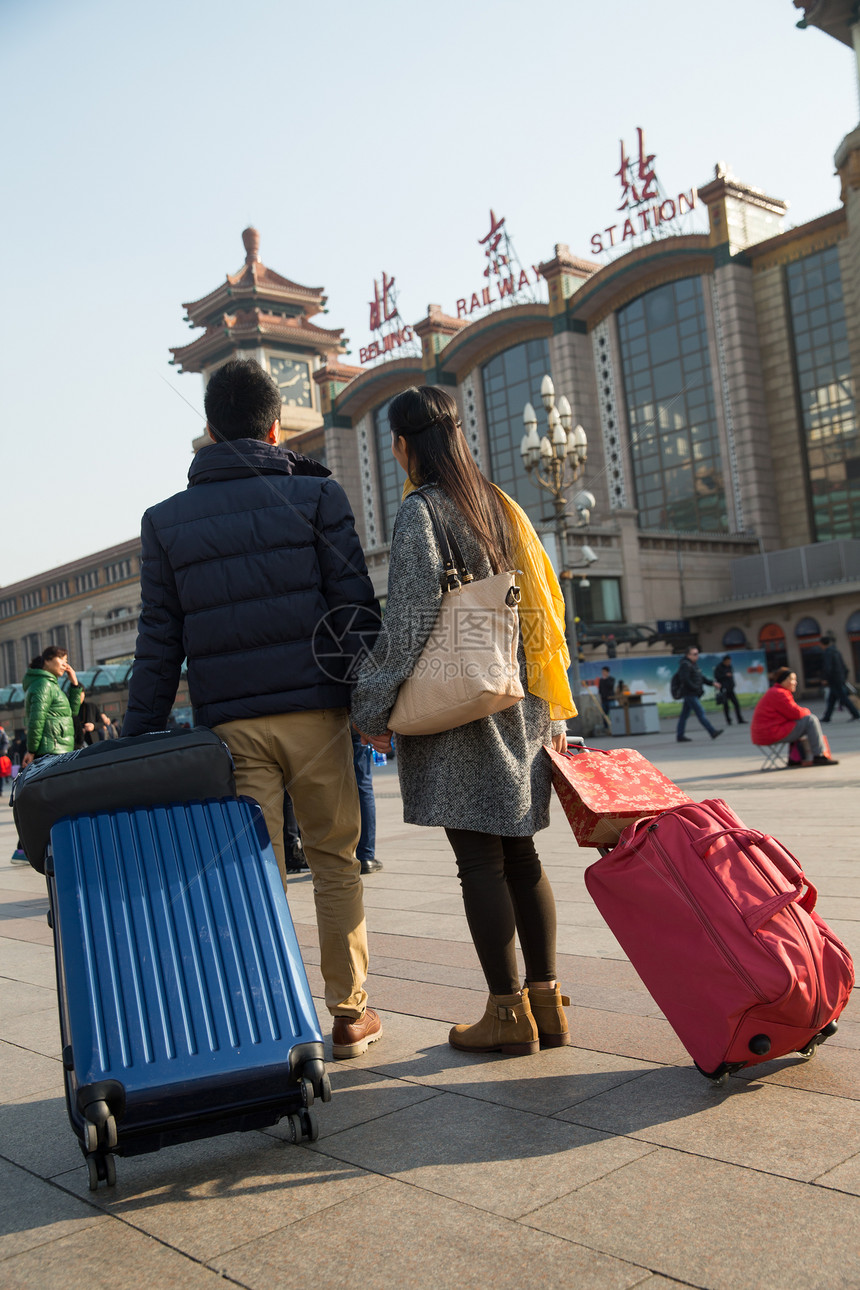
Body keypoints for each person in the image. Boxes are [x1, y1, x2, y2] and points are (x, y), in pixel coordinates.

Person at [121, 358, 383, 1060]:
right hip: (319, 716)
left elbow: (159, 643)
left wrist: (136, 736)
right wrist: (366, 698)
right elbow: (354, 607)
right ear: (275, 427)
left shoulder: (166, 522)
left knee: (252, 870)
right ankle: (350, 1012)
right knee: (334, 857)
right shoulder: (318, 498)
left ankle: (270, 1013)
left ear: (207, 429)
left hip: (231, 726)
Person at [352, 385, 576, 1059]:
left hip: (463, 705)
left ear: (401, 446)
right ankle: (545, 1003)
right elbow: (545, 603)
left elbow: (411, 620)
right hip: (521, 696)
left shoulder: (423, 511)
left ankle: (506, 1015)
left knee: (479, 856)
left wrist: (371, 704)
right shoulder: (501, 504)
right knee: (522, 852)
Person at [12, 647, 83, 861]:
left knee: (53, 800)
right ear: (47, 661)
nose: (65, 664)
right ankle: (27, 848)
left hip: (57, 748)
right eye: (62, 660)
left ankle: (27, 848)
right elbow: (37, 720)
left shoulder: (51, 685)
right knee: (52, 800)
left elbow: (72, 713)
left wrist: (74, 684)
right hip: (49, 749)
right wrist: (32, 750)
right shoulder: (44, 685)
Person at [750, 667, 838, 767]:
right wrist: (807, 711)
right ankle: (819, 755)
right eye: (792, 679)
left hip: (766, 732)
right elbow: (796, 713)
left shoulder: (774, 691)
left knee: (800, 722)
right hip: (770, 733)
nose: (795, 682)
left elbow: (793, 714)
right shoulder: (779, 693)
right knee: (810, 720)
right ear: (783, 680)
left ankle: (795, 757)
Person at [674, 646, 723, 743]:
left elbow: (701, 677)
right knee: (701, 712)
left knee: (684, 715)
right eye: (695, 654)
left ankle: (680, 735)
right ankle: (712, 731)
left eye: (697, 654)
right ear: (688, 655)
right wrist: (695, 688)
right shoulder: (685, 665)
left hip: (692, 693)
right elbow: (685, 680)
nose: (697, 656)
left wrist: (712, 683)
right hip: (690, 694)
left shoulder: (693, 665)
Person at [820, 635, 859, 724]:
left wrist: (825, 678)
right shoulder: (836, 652)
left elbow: (828, 667)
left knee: (843, 698)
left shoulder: (828, 653)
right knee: (832, 699)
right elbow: (844, 667)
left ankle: (856, 714)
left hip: (834, 680)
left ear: (822, 644)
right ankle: (827, 717)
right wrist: (844, 677)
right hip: (839, 678)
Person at [713, 654, 744, 726]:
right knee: (726, 705)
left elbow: (731, 676)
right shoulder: (719, 667)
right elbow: (717, 677)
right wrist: (725, 675)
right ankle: (728, 720)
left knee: (736, 704)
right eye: (728, 661)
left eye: (730, 661)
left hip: (730, 688)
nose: (729, 663)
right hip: (724, 688)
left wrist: (733, 684)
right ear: (724, 661)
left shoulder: (729, 666)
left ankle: (740, 719)